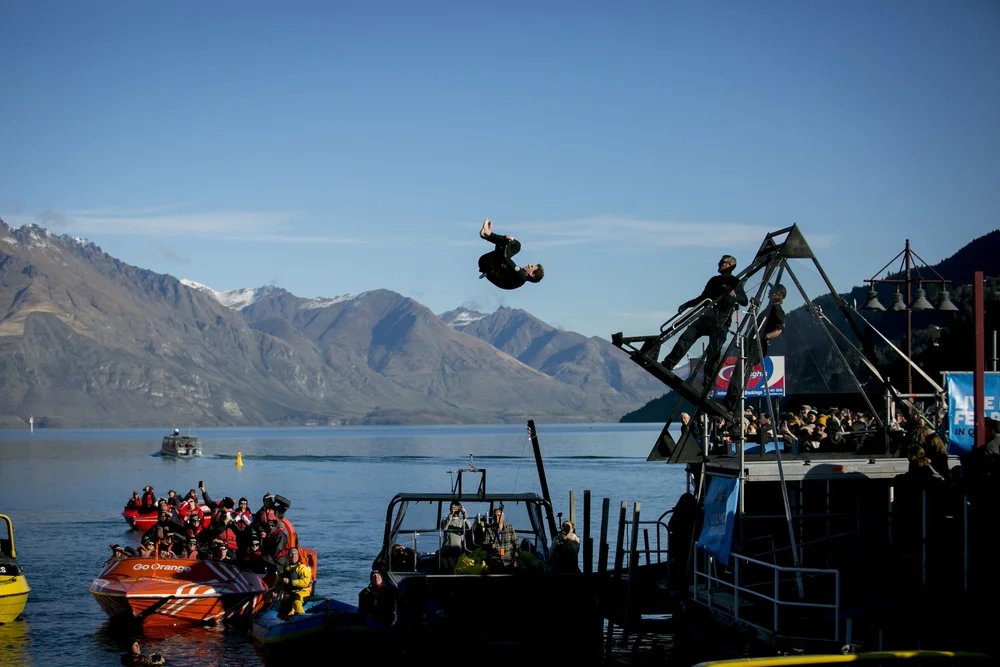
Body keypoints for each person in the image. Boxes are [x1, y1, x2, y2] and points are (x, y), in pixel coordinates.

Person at [661, 255, 748, 380]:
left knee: (713, 354)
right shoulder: (714, 280)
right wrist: (687, 304)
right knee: (686, 337)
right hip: (706, 317)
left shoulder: (735, 282)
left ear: (730, 266)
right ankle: (668, 365)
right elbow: (702, 298)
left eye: (722, 262)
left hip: (721, 321)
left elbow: (744, 300)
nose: (719, 264)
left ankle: (708, 385)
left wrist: (733, 295)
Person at [722, 284, 786, 412]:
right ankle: (729, 404)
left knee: (742, 373)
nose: (769, 293)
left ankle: (730, 406)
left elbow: (780, 329)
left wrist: (764, 337)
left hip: (757, 346)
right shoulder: (769, 308)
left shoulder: (776, 308)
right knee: (739, 372)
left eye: (772, 291)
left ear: (777, 294)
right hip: (752, 344)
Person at [477, 218, 543, 290]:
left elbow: (506, 258)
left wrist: (508, 241)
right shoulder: (520, 278)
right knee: (515, 246)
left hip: (487, 264)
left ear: (532, 274)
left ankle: (487, 234)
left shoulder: (521, 276)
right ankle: (486, 234)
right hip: (490, 265)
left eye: (531, 266)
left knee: (513, 244)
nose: (529, 265)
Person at [482, 507, 519, 572]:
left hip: (508, 559)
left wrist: (515, 558)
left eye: (499, 516)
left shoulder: (510, 528)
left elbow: (516, 544)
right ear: (493, 517)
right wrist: (489, 546)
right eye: (495, 516)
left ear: (503, 517)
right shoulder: (489, 529)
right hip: (494, 560)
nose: (497, 518)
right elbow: (484, 545)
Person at [278, 547, 312, 616]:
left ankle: (301, 615)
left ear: (298, 556)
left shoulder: (302, 568)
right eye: (291, 554)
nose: (293, 556)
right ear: (288, 556)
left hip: (302, 593)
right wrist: (275, 591)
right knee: (284, 605)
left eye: (295, 554)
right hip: (289, 594)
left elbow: (306, 582)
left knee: (296, 597)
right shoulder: (284, 569)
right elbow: (277, 581)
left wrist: (291, 582)